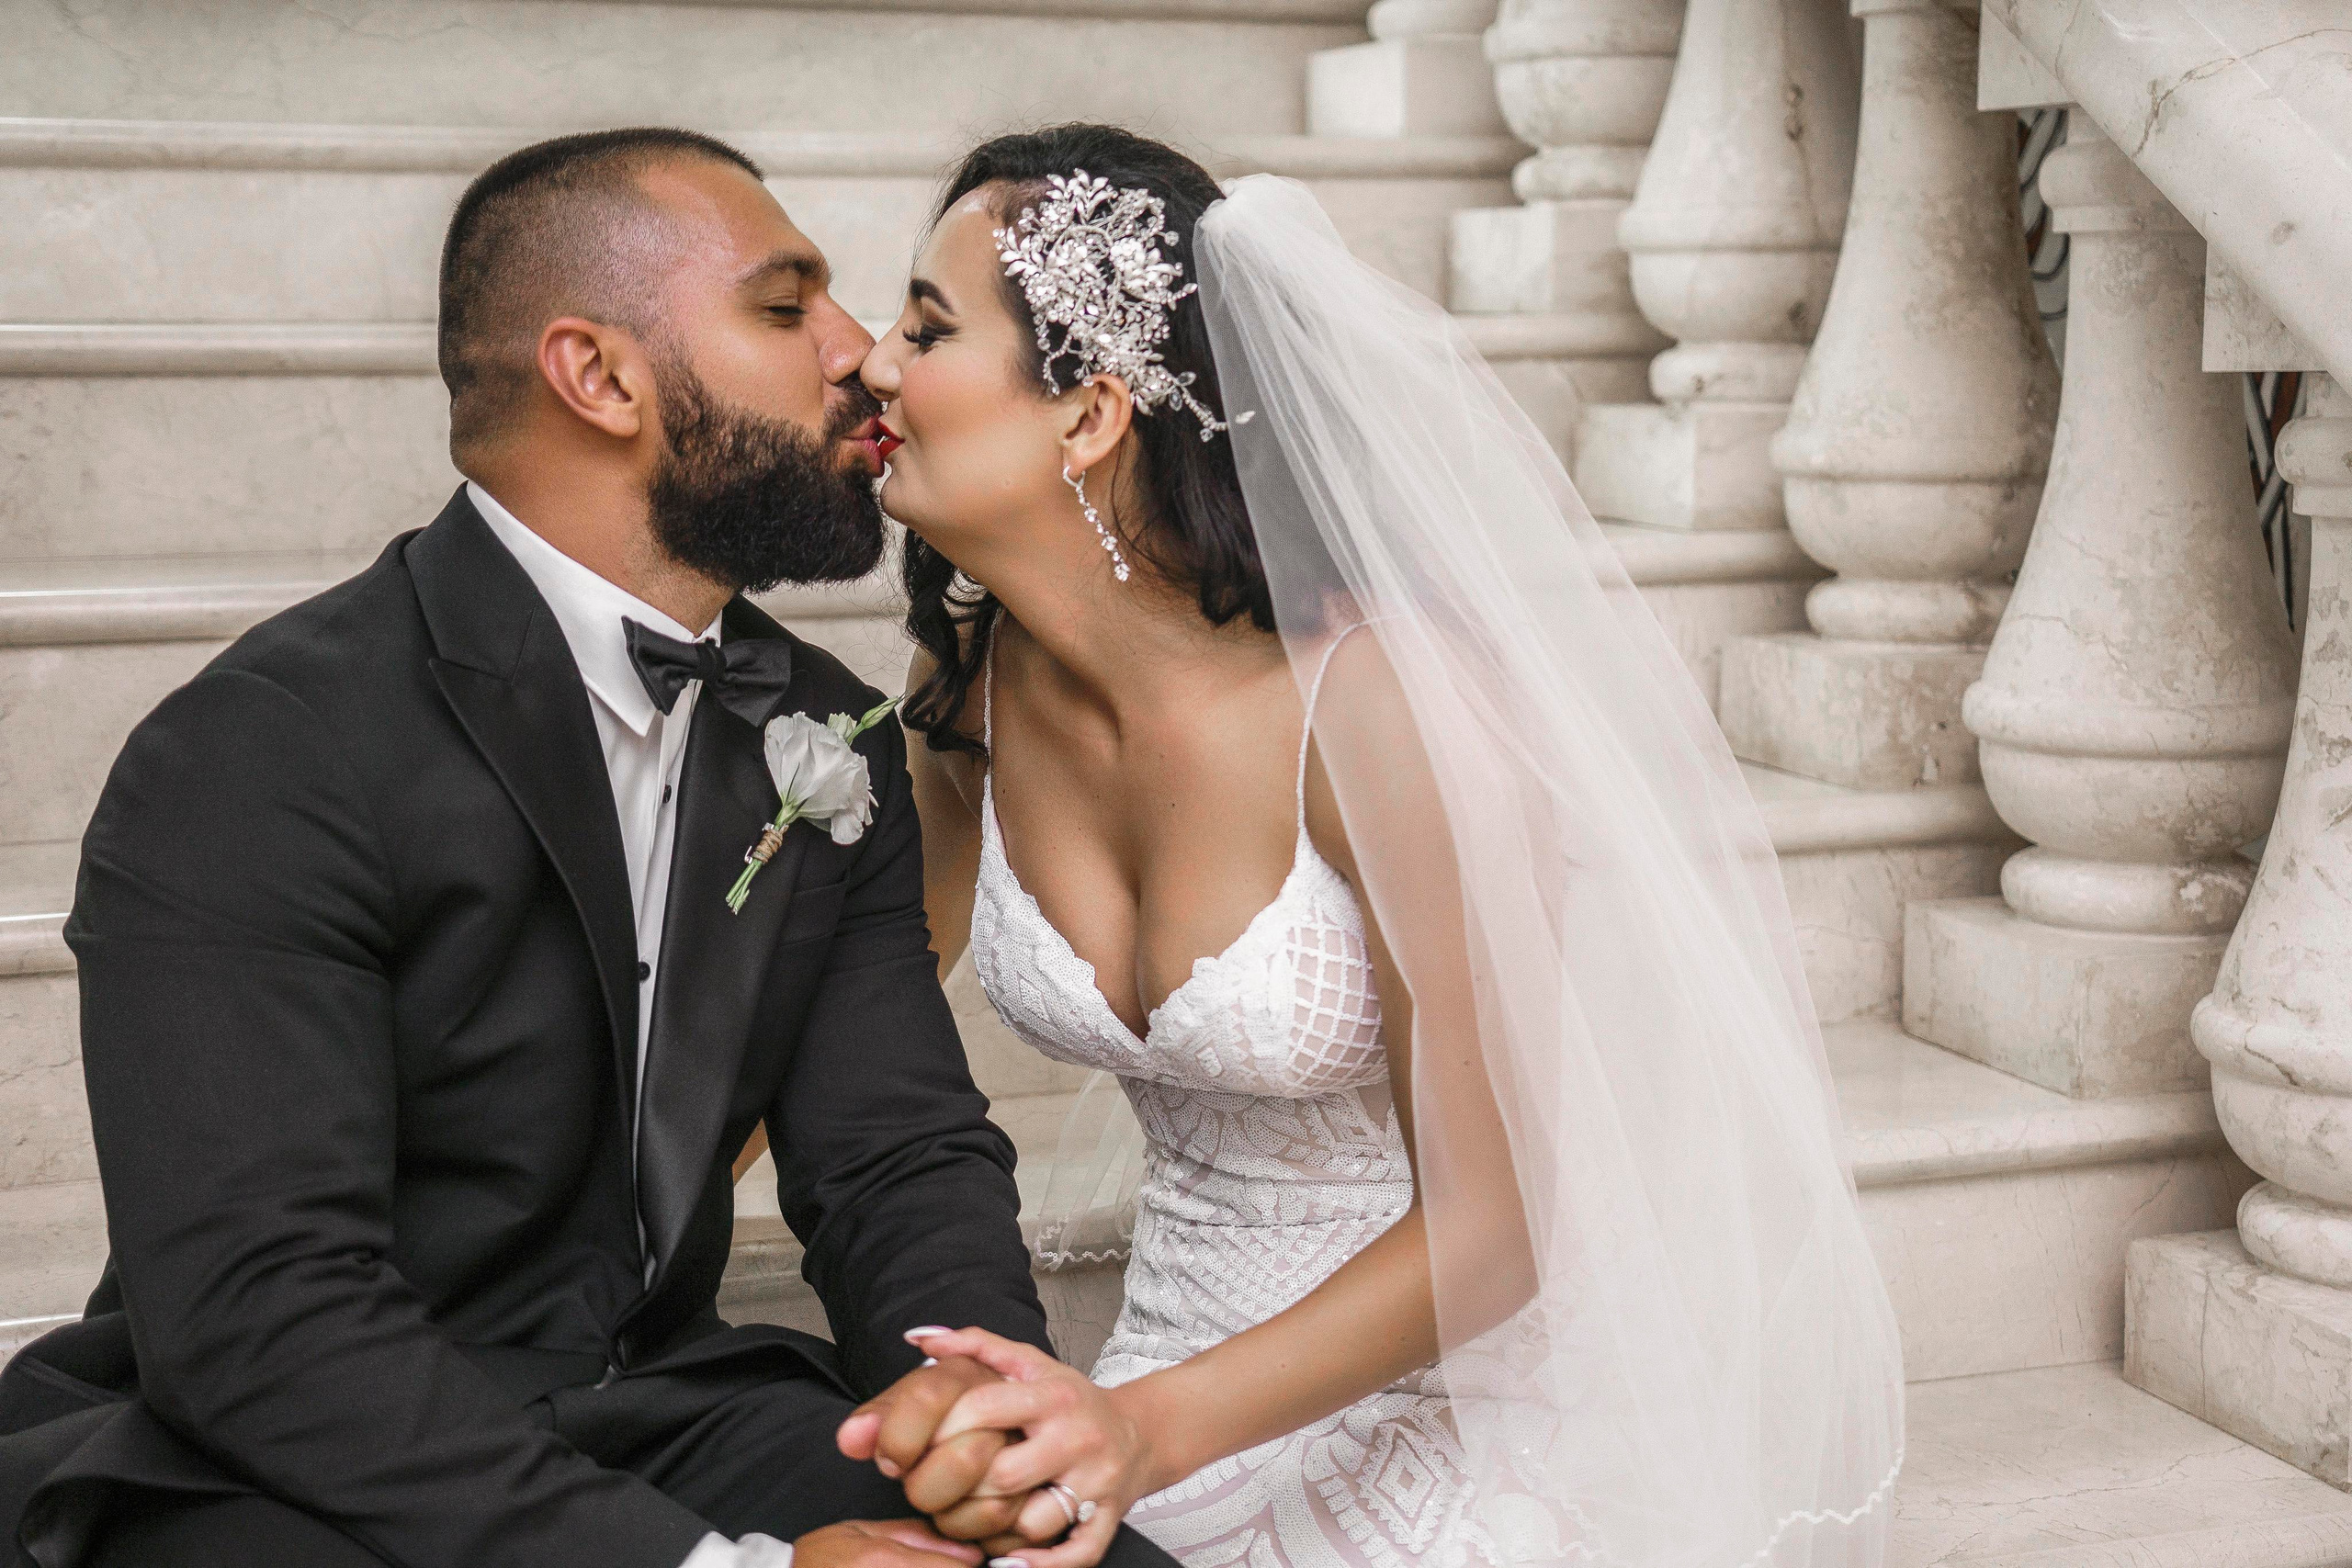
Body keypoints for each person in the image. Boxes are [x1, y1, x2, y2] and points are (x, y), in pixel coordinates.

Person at [0, 128, 1177, 1568]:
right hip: (282, 1457)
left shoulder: (829, 735)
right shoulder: (260, 748)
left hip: (656, 1407)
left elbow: (895, 1156)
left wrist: (973, 1390)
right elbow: (260, 1311)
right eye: (784, 303)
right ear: (600, 375)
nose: (860, 353)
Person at [841, 125, 1907, 1568]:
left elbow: (1501, 1226)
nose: (870, 365)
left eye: (923, 324)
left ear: (1089, 416)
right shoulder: (972, 690)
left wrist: (1144, 1427)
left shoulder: (1379, 706)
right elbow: (859, 1009)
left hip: (1454, 1392)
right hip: (1160, 1386)